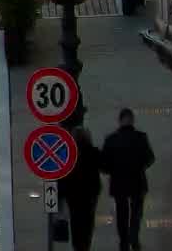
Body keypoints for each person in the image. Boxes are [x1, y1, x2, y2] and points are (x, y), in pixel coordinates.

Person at [101, 107, 155, 251]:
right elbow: (150, 158)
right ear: (132, 120)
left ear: (119, 121)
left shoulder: (111, 139)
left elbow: (104, 164)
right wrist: (139, 166)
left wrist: (114, 170)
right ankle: (134, 237)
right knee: (136, 212)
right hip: (137, 181)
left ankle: (124, 240)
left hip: (119, 183)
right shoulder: (141, 137)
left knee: (121, 212)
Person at [57, 126, 102, 251]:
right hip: (90, 193)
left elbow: (62, 175)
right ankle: (85, 245)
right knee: (88, 221)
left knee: (75, 220)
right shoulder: (92, 151)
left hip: (73, 193)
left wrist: (60, 194)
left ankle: (77, 246)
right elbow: (104, 166)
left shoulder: (68, 153)